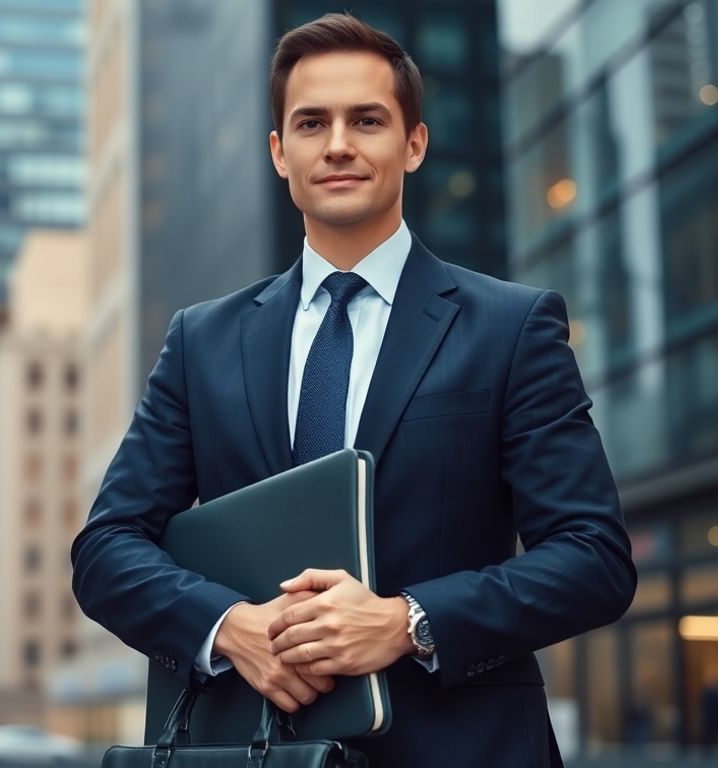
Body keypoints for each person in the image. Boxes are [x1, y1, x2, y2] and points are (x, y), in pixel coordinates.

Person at [69, 12, 635, 768]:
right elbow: (106, 549)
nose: (337, 144)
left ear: (414, 144)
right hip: (258, 749)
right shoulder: (202, 342)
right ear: (280, 151)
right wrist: (228, 627)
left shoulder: (511, 327)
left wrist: (409, 622)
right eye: (311, 123)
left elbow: (594, 558)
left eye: (367, 120)